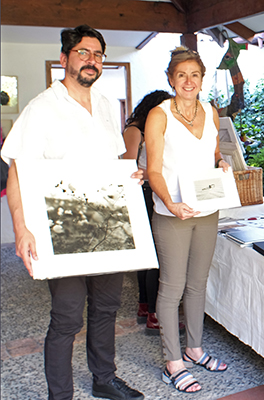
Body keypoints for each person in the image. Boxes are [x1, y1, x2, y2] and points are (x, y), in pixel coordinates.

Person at [1, 25, 145, 400]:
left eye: (97, 54)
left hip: (108, 223)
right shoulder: (41, 108)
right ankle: (60, 395)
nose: (91, 60)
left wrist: (130, 177)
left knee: (107, 307)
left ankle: (104, 379)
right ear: (65, 58)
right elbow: (17, 172)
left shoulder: (107, 104)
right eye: (83, 52)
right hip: (61, 226)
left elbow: (114, 163)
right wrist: (21, 229)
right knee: (66, 316)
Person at [145, 46, 230, 394]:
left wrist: (222, 164)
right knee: (172, 287)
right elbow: (153, 170)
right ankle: (173, 363)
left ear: (202, 79)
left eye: (195, 75)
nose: (188, 81)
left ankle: (194, 349)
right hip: (172, 213)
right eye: (181, 75)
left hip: (207, 210)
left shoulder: (210, 111)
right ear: (171, 79)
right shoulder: (159, 115)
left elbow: (214, 153)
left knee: (198, 283)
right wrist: (171, 203)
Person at [123, 90, 174, 335]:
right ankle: (154, 313)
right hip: (143, 193)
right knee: (153, 255)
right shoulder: (135, 131)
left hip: (148, 190)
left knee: (148, 254)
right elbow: (128, 166)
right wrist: (152, 173)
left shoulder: (149, 130)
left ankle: (145, 306)